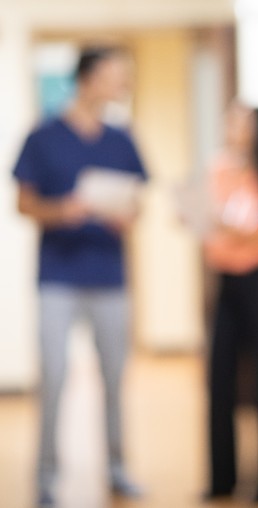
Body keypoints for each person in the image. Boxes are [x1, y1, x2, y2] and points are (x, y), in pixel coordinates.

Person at [12, 45, 146, 507]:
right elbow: (23, 202)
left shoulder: (122, 139)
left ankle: (117, 467)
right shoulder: (43, 136)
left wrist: (125, 213)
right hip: (58, 278)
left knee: (114, 376)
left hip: (110, 276)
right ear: (87, 79)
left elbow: (137, 203)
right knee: (53, 377)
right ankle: (47, 477)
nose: (121, 84)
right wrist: (60, 210)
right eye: (114, 75)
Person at [201, 103, 258, 502]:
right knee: (218, 382)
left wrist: (231, 231)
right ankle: (222, 481)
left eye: (238, 122)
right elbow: (210, 232)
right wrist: (223, 230)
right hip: (226, 285)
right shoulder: (218, 169)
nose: (230, 127)